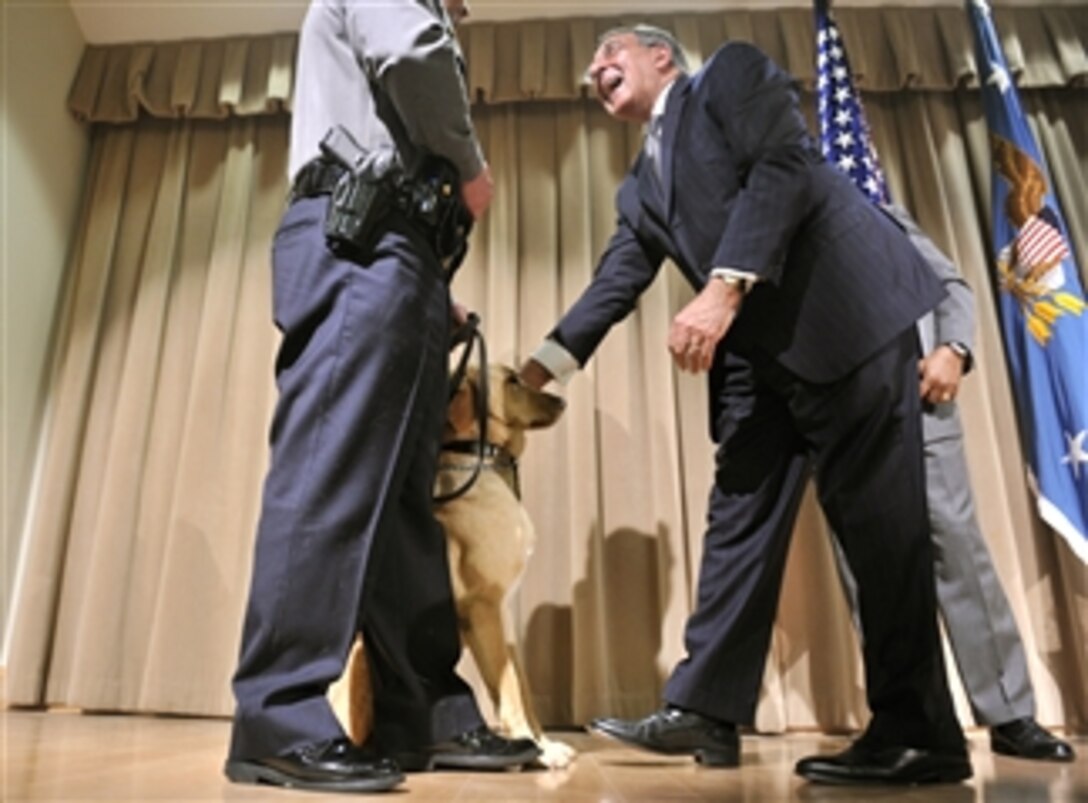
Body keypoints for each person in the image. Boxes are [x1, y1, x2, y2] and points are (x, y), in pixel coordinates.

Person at [520, 25, 971, 785]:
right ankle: (707, 710)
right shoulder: (639, 188)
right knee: (737, 518)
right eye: (591, 64)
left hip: (844, 325)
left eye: (610, 52)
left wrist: (723, 286)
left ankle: (920, 733)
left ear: (662, 56)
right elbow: (616, 279)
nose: (594, 69)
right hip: (766, 368)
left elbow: (784, 167)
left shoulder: (728, 75)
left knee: (880, 534)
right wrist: (536, 369)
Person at [224, 0, 539, 793]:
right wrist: (469, 166)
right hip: (358, 235)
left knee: (403, 503)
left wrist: (434, 289)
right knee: (328, 473)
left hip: (403, 259)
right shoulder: (414, 10)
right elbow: (415, 53)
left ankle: (421, 709)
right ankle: (279, 716)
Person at [831, 206, 1075, 763]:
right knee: (866, 572)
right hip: (839, 418)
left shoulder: (869, 204)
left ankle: (1011, 713)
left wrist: (954, 349)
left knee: (958, 551)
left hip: (918, 402)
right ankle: (909, 720)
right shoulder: (766, 226)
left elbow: (949, 283)